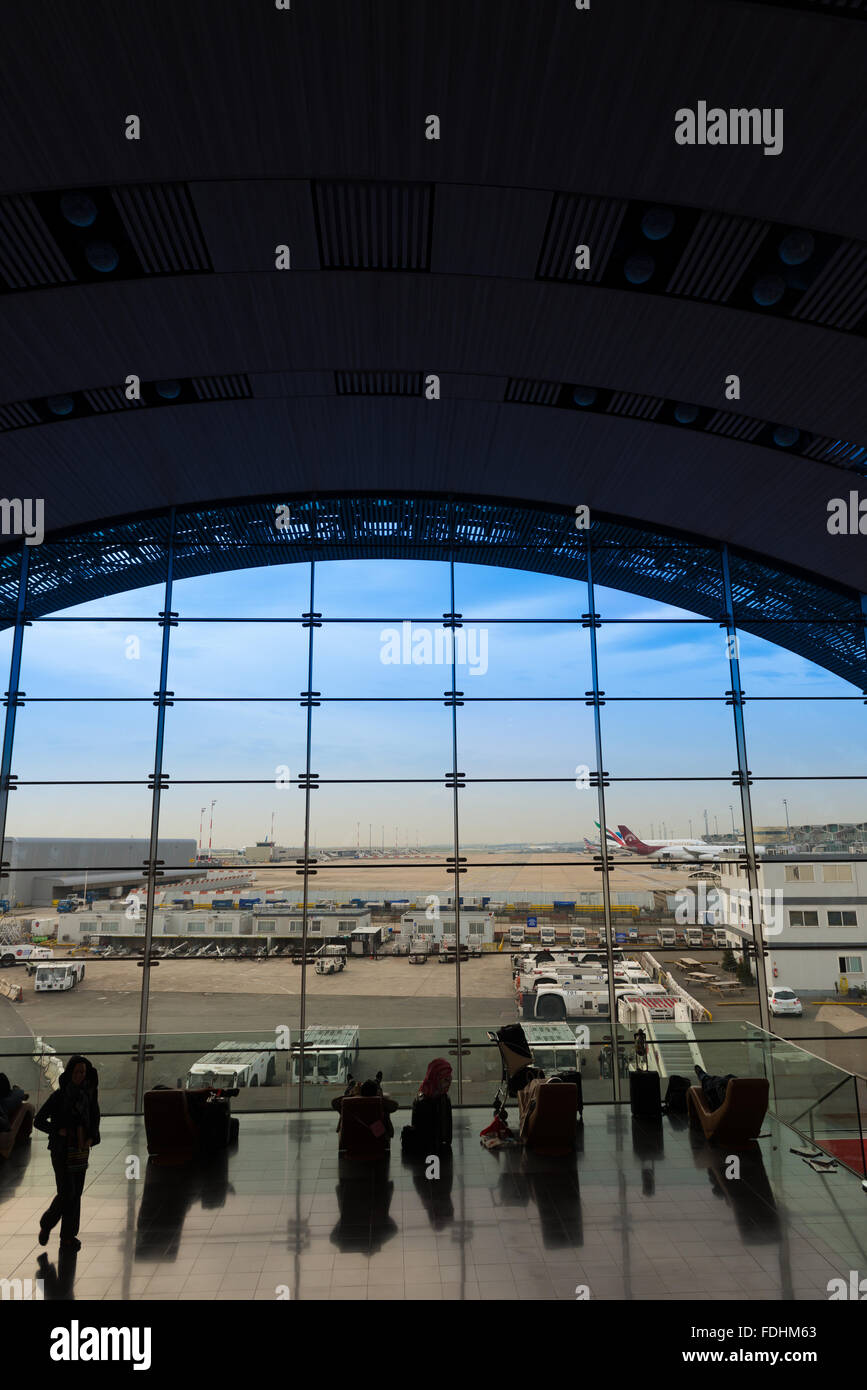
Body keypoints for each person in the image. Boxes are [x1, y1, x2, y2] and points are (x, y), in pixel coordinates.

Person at [34, 1055, 100, 1251]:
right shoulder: (59, 1096)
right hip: (61, 1150)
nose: (80, 1076)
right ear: (70, 1073)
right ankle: (47, 1223)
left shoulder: (89, 1096)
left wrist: (91, 1138)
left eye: (83, 1073)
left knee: (75, 1193)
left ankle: (68, 1236)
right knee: (67, 1192)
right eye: (77, 1072)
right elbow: (38, 1121)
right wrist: (58, 1130)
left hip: (80, 1150)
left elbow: (95, 1120)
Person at [401, 1058, 452, 1155]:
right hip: (427, 1148)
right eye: (445, 1079)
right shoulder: (426, 1101)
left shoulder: (433, 1096)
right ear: (436, 1078)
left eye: (449, 1079)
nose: (449, 1083)